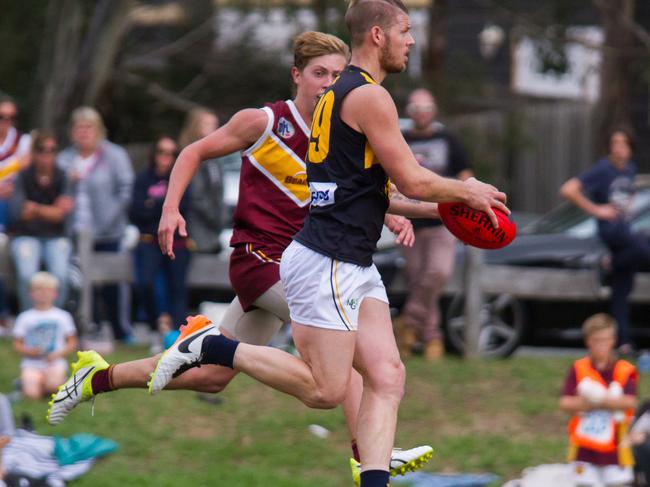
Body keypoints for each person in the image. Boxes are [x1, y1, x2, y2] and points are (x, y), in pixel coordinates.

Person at [47, 30, 432, 482]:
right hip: (261, 259)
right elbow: (193, 150)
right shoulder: (266, 122)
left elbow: (354, 195)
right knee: (342, 351)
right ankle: (368, 454)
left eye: (335, 74)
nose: (327, 83)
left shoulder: (340, 134)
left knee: (210, 376)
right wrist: (170, 208)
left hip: (301, 266)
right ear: (296, 76)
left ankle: (96, 378)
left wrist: (396, 213)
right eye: (318, 73)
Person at [149, 2, 506, 485]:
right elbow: (413, 180)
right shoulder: (368, 98)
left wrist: (444, 207)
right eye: (405, 30)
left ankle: (373, 475)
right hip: (328, 260)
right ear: (377, 35)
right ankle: (212, 345)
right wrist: (466, 190)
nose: (412, 40)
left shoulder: (337, 98)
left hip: (349, 259)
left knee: (387, 376)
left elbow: (367, 188)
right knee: (326, 390)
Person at [397, 88, 473, 361]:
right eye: (416, 109)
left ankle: (408, 322)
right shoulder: (400, 140)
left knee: (438, 273)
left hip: (444, 220)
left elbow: (465, 175)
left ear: (434, 110)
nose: (422, 114)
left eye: (426, 108)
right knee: (418, 278)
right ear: (409, 112)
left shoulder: (448, 139)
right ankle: (432, 339)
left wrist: (470, 202)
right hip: (411, 220)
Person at [560, 128, 650, 353]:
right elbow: (568, 189)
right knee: (643, 250)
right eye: (614, 143)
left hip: (624, 227)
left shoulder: (629, 170)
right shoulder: (603, 169)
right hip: (611, 230)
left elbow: (625, 196)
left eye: (623, 143)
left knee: (622, 289)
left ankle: (623, 343)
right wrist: (597, 210)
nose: (618, 147)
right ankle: (609, 263)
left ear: (630, 148)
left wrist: (625, 211)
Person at [57, 106, 135, 343]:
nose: (83, 133)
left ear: (99, 130)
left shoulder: (114, 155)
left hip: (108, 231)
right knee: (78, 283)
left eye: (88, 127)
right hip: (74, 232)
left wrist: (109, 218)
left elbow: (126, 190)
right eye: (79, 128)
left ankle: (121, 331)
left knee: (111, 284)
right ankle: (87, 328)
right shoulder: (64, 159)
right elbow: (56, 194)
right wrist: (67, 184)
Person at [560, 313, 638, 487]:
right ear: (588, 341)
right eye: (597, 340)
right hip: (585, 447)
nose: (601, 345)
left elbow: (629, 401)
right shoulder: (579, 368)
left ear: (613, 340)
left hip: (616, 446)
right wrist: (609, 401)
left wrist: (595, 399)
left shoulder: (624, 370)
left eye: (605, 339)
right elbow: (565, 402)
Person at [130, 136, 191, 335]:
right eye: (162, 152)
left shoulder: (181, 177)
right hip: (149, 240)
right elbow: (136, 211)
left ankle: (179, 335)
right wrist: (164, 207)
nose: (166, 157)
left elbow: (185, 207)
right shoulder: (143, 178)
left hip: (176, 241)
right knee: (146, 283)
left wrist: (154, 204)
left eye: (171, 153)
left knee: (177, 288)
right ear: (154, 154)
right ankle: (156, 325)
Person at [8, 131, 74, 312]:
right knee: (27, 275)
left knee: (60, 274)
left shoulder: (62, 176)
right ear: (34, 152)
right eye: (42, 150)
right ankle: (29, 320)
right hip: (25, 236)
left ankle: (54, 319)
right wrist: (51, 210)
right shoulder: (23, 176)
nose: (47, 154)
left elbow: (62, 214)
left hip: (55, 236)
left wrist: (35, 209)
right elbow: (18, 212)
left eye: (52, 150)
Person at [12, 272, 77, 400]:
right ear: (31, 293)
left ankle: (53, 379)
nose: (43, 293)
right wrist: (30, 351)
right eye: (38, 290)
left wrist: (58, 354)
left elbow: (72, 342)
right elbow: (17, 344)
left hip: (55, 363)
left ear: (55, 294)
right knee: (32, 395)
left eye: (47, 290)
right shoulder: (25, 317)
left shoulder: (63, 316)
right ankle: (28, 382)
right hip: (31, 364)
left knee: (53, 386)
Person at [178, 107, 233, 254]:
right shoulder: (191, 156)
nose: (214, 129)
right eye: (208, 125)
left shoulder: (214, 157)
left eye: (215, 125)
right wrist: (216, 219)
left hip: (214, 232)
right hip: (196, 233)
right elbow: (197, 196)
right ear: (195, 127)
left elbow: (219, 192)